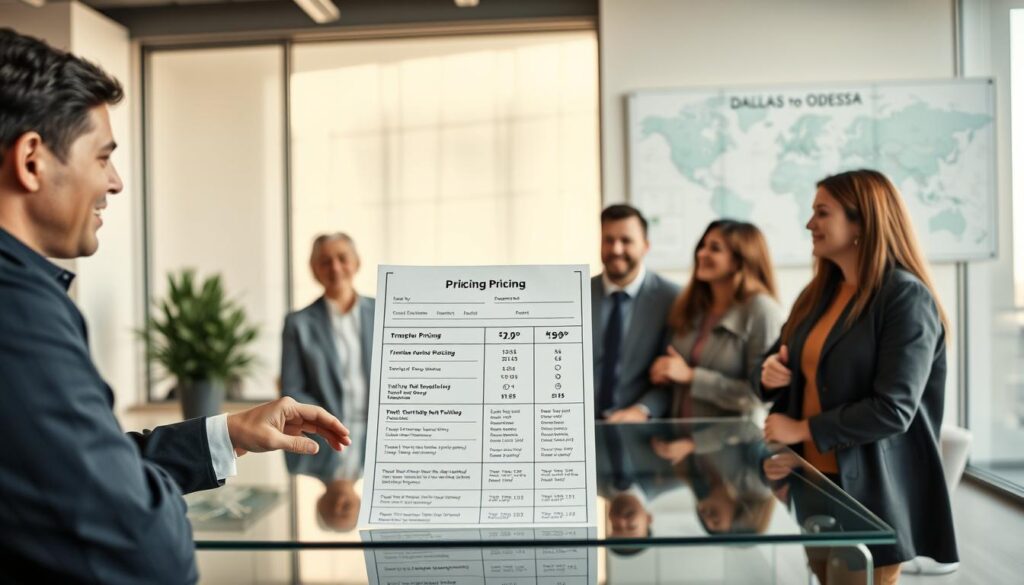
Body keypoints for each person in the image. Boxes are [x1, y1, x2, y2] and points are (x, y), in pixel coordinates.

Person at [0, 28, 350, 583]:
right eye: (103, 158)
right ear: (33, 161)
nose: (115, 183)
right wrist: (149, 501)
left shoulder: (32, 291)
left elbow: (100, 464)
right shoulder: (17, 312)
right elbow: (140, 541)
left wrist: (230, 431)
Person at [757, 169, 957, 585]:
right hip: (814, 481)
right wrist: (770, 372)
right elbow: (778, 363)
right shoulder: (818, 294)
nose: (810, 223)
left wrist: (801, 428)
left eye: (822, 213)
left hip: (870, 495)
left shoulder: (905, 297)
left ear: (861, 222)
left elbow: (893, 410)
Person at [648, 220, 782, 419]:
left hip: (732, 445)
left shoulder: (761, 310)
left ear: (740, 260)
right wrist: (664, 371)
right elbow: (677, 371)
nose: (701, 254)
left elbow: (759, 396)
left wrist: (692, 377)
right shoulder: (691, 306)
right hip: (679, 440)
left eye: (714, 248)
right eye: (702, 246)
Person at [280, 233, 374, 472]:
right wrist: (329, 424)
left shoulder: (385, 313)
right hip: (324, 441)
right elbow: (293, 389)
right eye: (325, 261)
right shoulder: (298, 324)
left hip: (380, 437)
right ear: (314, 270)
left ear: (357, 262)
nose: (335, 267)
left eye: (342, 258)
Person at [592, 204, 680, 421]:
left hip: (641, 431)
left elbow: (672, 376)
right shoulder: (576, 293)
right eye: (608, 240)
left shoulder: (672, 299)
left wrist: (642, 410)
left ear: (645, 246)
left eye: (626, 240)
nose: (616, 250)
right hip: (579, 428)